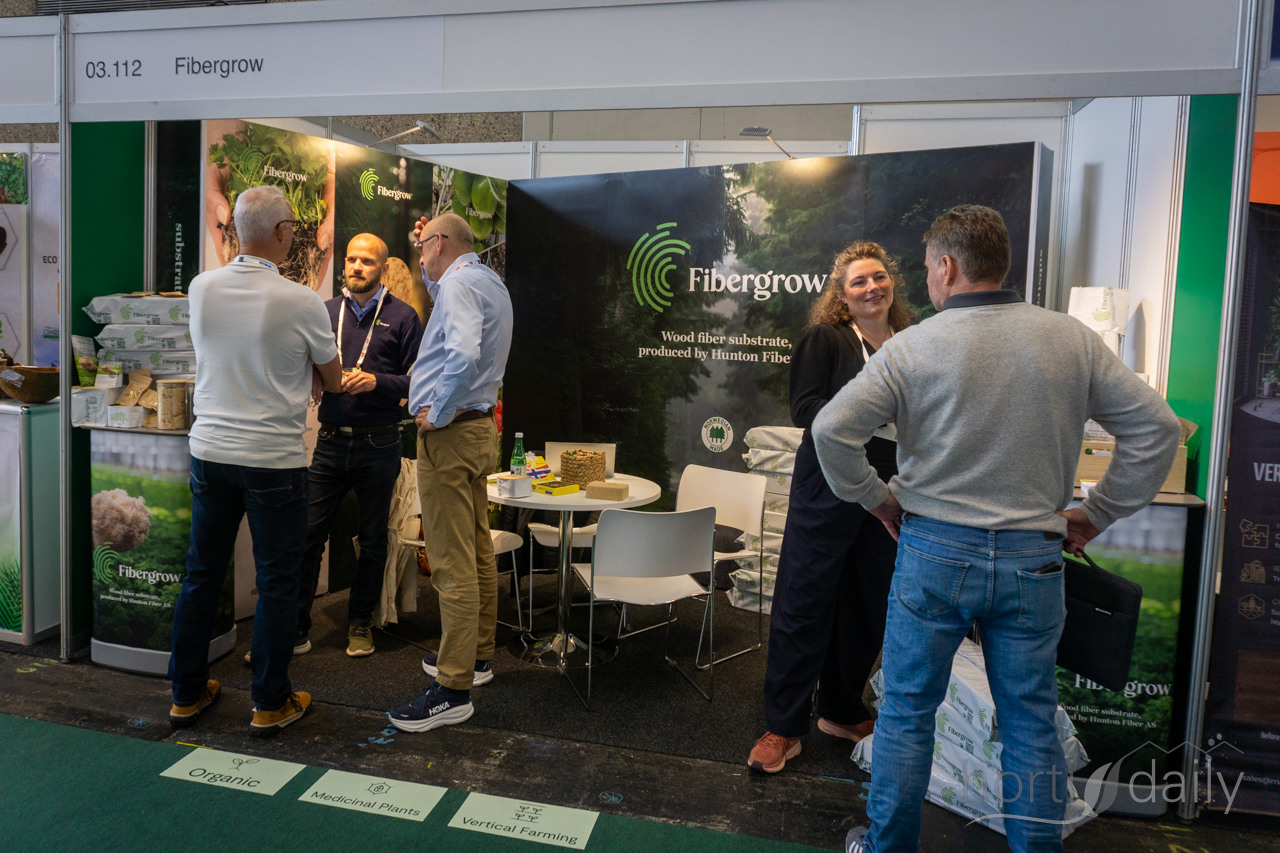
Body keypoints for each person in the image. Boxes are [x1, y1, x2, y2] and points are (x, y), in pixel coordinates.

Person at [817, 206, 1181, 853]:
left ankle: (886, 847)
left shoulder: (912, 346)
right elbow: (1157, 429)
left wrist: (877, 501)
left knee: (906, 714)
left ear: (947, 266)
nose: (927, 280)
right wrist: (1098, 512)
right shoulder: (1069, 339)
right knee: (1029, 723)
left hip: (932, 552)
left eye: (927, 268)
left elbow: (829, 430)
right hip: (1032, 559)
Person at [168, 185, 342, 737]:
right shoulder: (302, 300)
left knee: (201, 574)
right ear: (283, 232)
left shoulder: (201, 288)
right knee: (277, 581)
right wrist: (307, 372)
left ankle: (185, 695)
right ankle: (269, 702)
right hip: (273, 459)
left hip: (210, 452)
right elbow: (334, 378)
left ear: (235, 230)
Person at [748, 242, 915, 774]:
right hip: (828, 480)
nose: (871, 287)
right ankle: (783, 726)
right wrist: (872, 416)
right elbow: (806, 409)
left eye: (878, 276)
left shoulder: (911, 342)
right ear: (842, 295)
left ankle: (840, 711)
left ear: (892, 283)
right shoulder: (826, 338)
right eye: (858, 281)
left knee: (868, 603)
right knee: (804, 601)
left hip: (891, 484)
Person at [388, 212, 513, 733]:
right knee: (477, 549)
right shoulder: (488, 281)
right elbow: (464, 343)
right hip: (479, 430)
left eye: (422, 247)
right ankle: (476, 657)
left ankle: (453, 689)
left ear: (439, 243)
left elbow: (460, 354)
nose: (419, 256)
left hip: (451, 435)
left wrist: (436, 413)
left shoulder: (459, 284)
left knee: (450, 562)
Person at [294, 233, 424, 657]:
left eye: (367, 261)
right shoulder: (326, 311)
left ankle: (359, 623)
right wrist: (313, 374)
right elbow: (306, 359)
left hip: (379, 443)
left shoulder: (404, 317)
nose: (356, 267)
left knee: (372, 539)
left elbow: (419, 382)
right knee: (308, 535)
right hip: (330, 442)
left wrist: (376, 382)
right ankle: (295, 628)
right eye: (351, 259)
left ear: (383, 269)